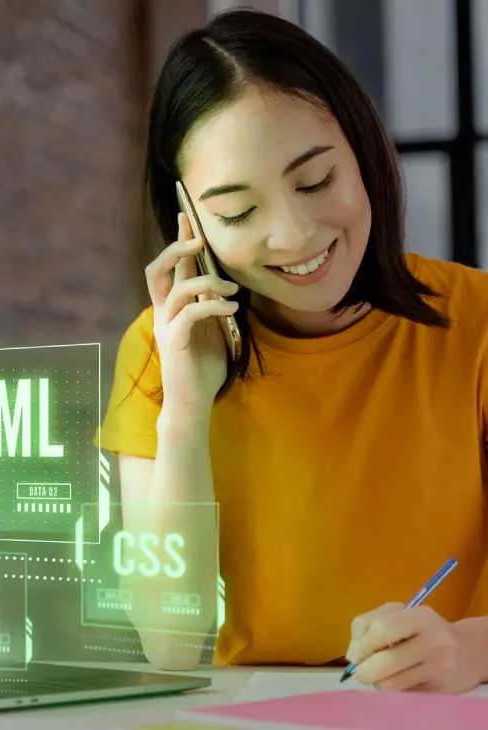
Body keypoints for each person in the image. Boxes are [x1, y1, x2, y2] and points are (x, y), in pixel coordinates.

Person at [96, 8, 488, 693]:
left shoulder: (479, 324)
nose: (293, 236)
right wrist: (186, 408)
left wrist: (466, 651)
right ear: (189, 223)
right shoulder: (160, 350)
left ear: (362, 152)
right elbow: (169, 644)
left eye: (315, 182)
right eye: (238, 212)